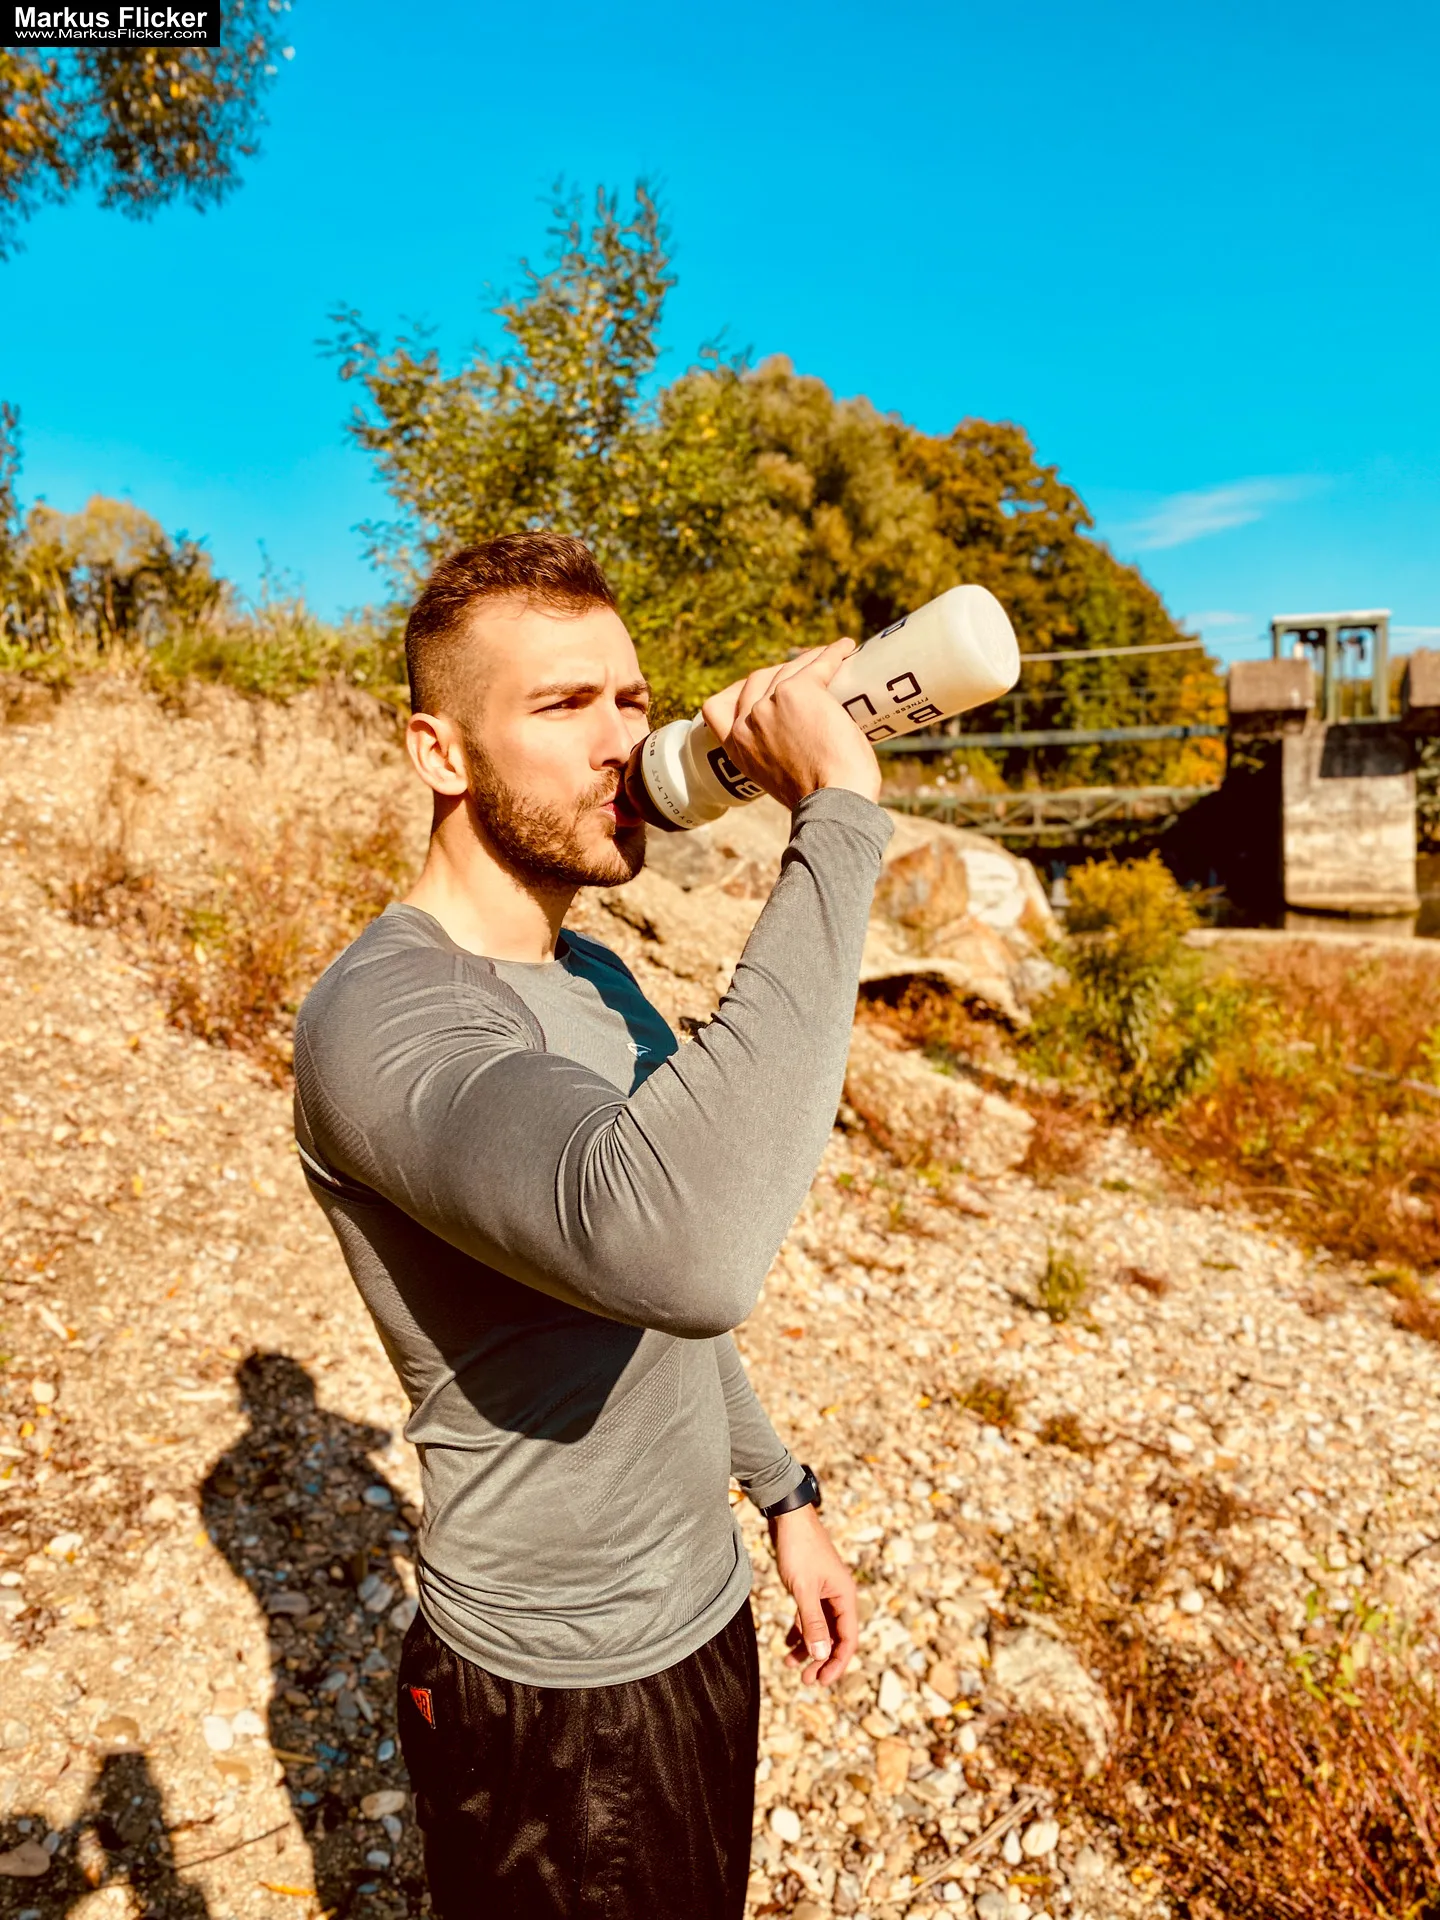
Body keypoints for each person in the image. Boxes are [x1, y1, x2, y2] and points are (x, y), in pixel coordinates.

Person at [293, 530, 893, 1918]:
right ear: (441, 753)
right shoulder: (384, 1023)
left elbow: (650, 1309)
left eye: (631, 699)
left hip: (693, 1627)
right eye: (561, 707)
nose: (620, 741)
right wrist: (841, 818)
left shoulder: (599, 973)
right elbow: (682, 1247)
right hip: (559, 1699)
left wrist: (785, 1497)